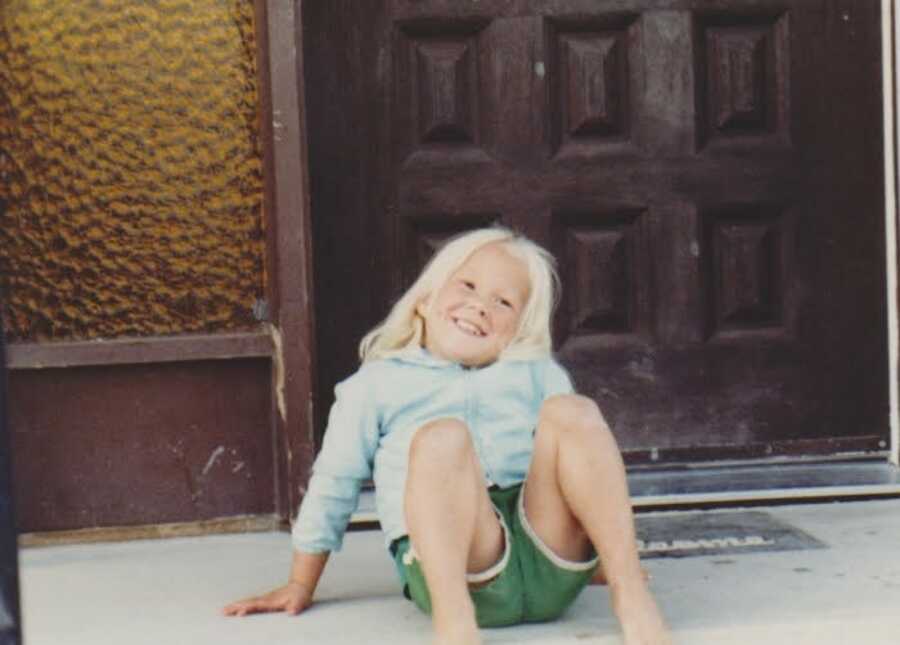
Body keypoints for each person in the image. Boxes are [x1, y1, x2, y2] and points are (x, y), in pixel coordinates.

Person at [223, 227, 672, 645]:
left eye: (505, 303)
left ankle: (628, 591)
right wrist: (301, 582)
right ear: (424, 299)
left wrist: (592, 553)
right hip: (462, 563)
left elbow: (580, 467)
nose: (481, 306)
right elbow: (334, 482)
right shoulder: (375, 385)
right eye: (469, 286)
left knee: (574, 412)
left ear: (519, 330)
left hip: (546, 551)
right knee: (442, 438)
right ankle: (455, 625)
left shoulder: (535, 374)